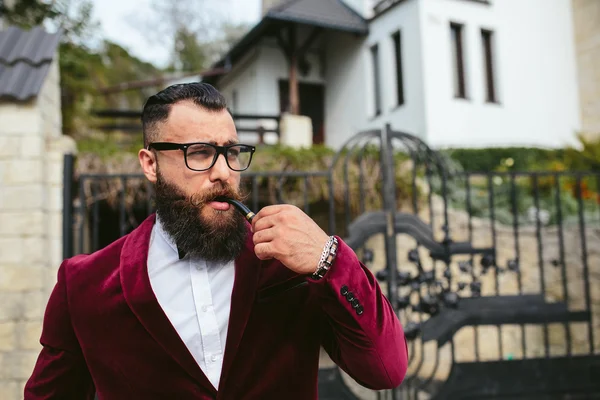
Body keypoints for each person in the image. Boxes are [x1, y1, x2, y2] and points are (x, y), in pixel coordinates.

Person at [24, 83, 408, 399]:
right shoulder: (84, 284)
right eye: (201, 153)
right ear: (150, 164)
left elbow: (386, 370)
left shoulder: (287, 261)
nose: (224, 172)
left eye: (232, 152)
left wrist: (330, 258)